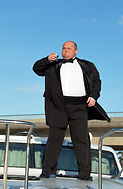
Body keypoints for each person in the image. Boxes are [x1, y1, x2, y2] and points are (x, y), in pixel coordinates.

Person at [33, 41, 103, 180]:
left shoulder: (88, 65)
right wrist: (47, 59)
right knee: (54, 139)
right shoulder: (52, 65)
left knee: (81, 140)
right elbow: (36, 68)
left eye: (69, 48)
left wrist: (93, 96)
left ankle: (84, 174)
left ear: (76, 50)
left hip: (80, 106)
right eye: (64, 48)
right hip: (58, 106)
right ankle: (47, 172)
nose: (65, 50)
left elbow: (96, 82)